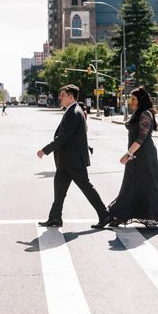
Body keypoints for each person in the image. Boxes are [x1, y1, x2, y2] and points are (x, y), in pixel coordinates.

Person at [37, 84, 111, 229]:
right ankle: (55, 217)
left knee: (86, 188)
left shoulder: (74, 112)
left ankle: (105, 215)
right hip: (67, 160)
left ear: (71, 97)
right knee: (59, 189)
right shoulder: (74, 110)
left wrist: (45, 150)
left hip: (73, 161)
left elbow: (63, 137)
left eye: (63, 95)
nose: (60, 98)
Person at [105, 86, 158, 230]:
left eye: (133, 99)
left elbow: (142, 138)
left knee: (150, 184)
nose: (131, 101)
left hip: (144, 154)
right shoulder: (138, 113)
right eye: (130, 99)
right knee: (131, 183)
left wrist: (128, 154)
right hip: (137, 154)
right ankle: (121, 215)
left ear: (140, 100)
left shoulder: (145, 114)